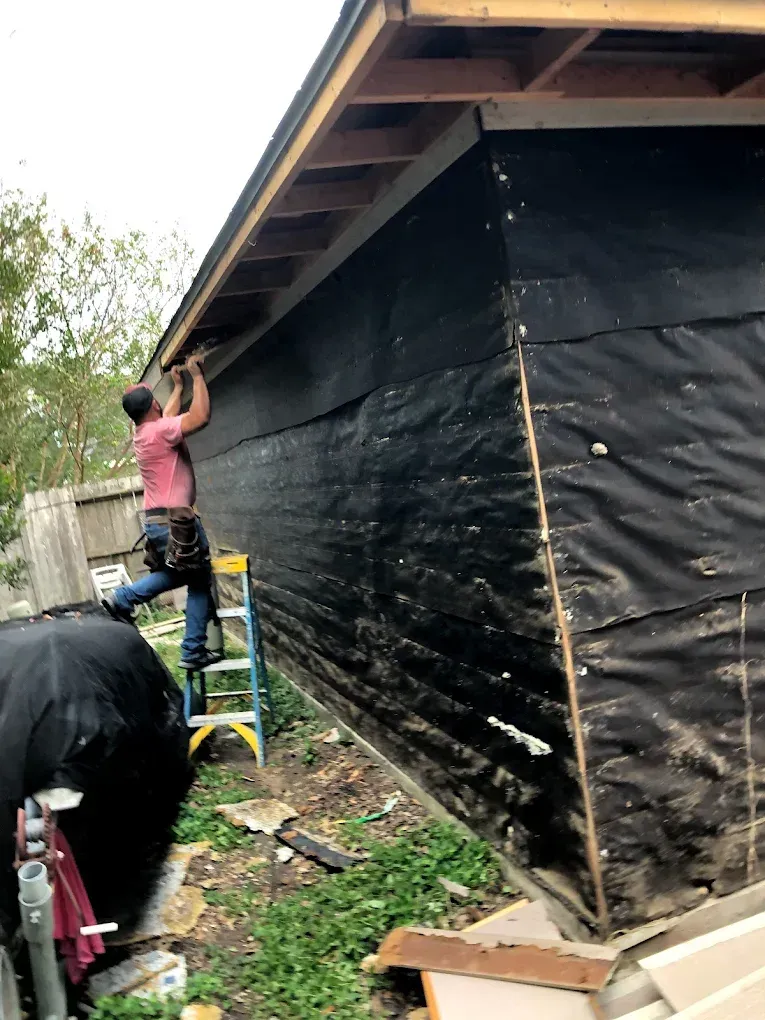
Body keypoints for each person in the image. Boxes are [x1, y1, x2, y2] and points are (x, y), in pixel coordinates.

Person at [103, 353, 220, 669]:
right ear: (153, 405)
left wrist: (177, 387)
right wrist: (197, 376)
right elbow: (200, 417)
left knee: (173, 575)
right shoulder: (160, 431)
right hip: (176, 521)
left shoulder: (144, 432)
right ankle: (193, 650)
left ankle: (124, 598)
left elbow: (167, 416)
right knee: (198, 579)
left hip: (157, 521)